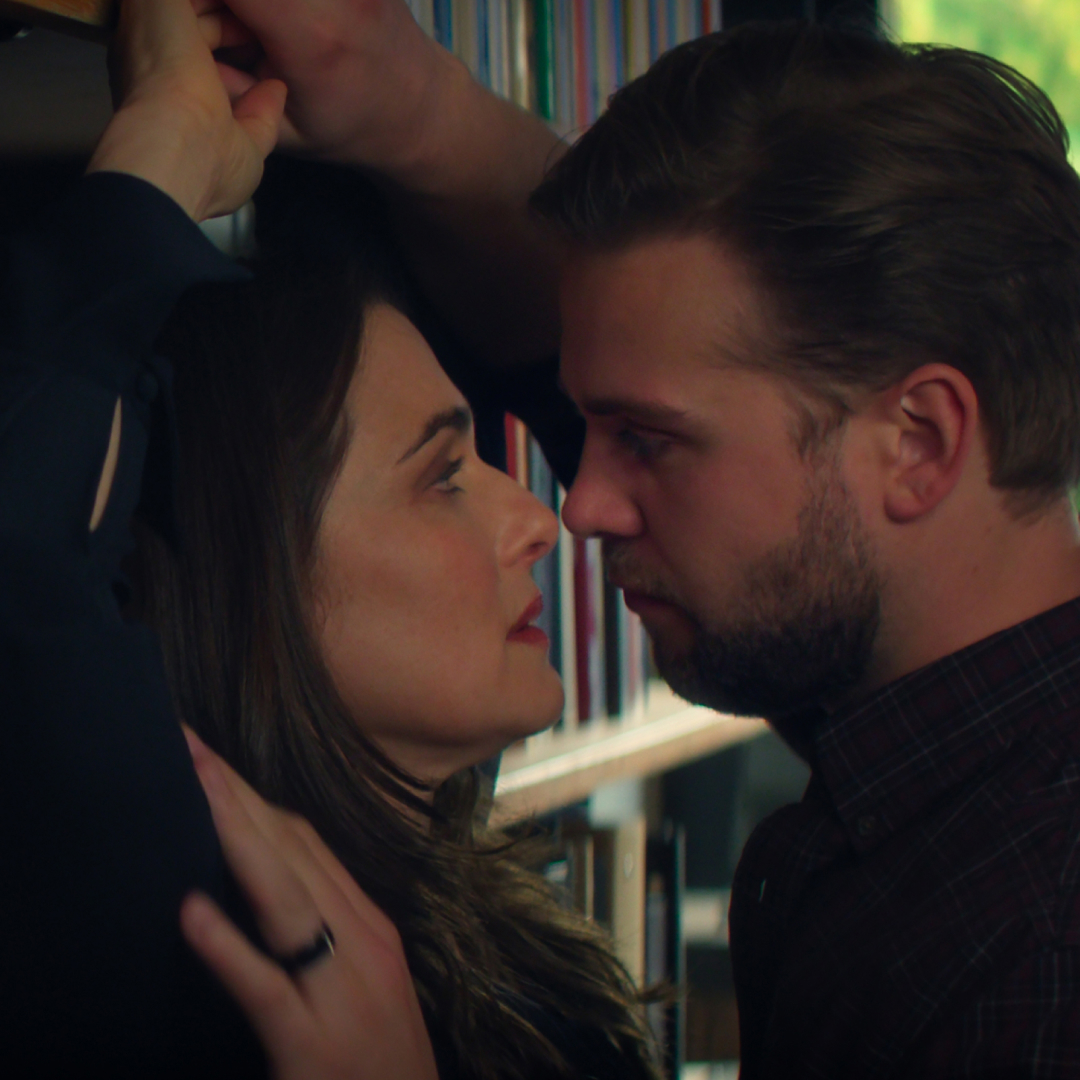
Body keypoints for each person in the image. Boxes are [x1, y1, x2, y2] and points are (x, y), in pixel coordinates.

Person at [195, 2, 1080, 1075]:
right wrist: (410, 104)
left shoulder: (1033, 971)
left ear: (920, 443)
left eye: (650, 442)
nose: (577, 506)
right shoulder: (928, 744)